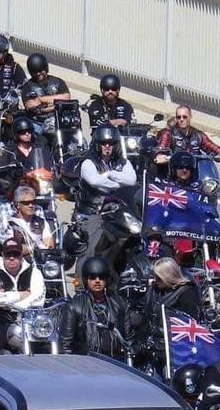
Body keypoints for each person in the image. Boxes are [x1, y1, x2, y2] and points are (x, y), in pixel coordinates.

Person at [74, 124, 137, 262]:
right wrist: (118, 185)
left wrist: (110, 174)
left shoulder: (123, 162)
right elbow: (95, 181)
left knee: (134, 239)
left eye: (111, 143)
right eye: (103, 143)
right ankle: (80, 281)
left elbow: (132, 180)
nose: (107, 146)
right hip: (93, 212)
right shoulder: (88, 163)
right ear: (97, 144)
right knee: (90, 247)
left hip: (117, 211)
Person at [0, 237, 45, 355]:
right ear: (2, 255)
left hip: (29, 320)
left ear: (21, 256)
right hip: (0, 320)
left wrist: (12, 304)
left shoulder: (34, 272)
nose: (11, 258)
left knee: (44, 353)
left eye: (15, 254)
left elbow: (39, 298)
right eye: (8, 254)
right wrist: (20, 295)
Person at [59, 257, 131, 357]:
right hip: (86, 364)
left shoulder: (119, 304)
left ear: (107, 280)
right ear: (85, 280)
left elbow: (129, 338)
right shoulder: (74, 306)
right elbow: (65, 345)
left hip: (114, 363)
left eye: (101, 277)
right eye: (92, 277)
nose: (97, 281)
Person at [154, 105, 220, 174]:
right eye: (179, 117)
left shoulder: (198, 135)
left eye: (184, 117)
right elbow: (162, 146)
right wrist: (160, 155)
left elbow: (211, 146)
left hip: (193, 172)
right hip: (174, 172)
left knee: (214, 188)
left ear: (190, 117)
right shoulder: (169, 134)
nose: (181, 119)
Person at [20, 52, 71, 132]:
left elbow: (66, 97)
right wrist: (55, 105)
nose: (38, 74)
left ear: (46, 68)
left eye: (40, 70)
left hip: (58, 121)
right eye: (35, 72)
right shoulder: (28, 86)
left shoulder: (58, 82)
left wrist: (41, 100)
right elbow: (30, 105)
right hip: (38, 123)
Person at [143, 257, 201, 321]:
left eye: (159, 278)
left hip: (175, 329)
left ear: (168, 276)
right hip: (152, 329)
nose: (155, 280)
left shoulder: (186, 291)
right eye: (155, 276)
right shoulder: (154, 289)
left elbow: (191, 319)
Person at [8, 185, 55, 252]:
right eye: (26, 203)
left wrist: (27, 248)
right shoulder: (10, 223)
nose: (31, 205)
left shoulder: (41, 222)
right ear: (18, 205)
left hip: (41, 258)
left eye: (33, 202)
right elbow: (13, 248)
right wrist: (36, 248)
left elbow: (49, 245)